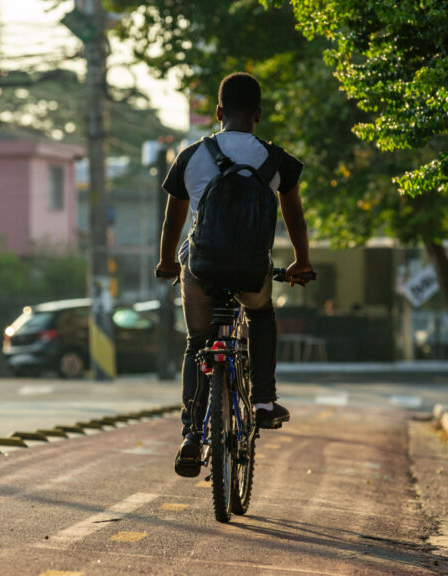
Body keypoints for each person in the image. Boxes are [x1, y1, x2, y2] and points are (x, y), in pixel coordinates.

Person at [155, 72, 315, 477]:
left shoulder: (192, 156)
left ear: (219, 112)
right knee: (261, 315)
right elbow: (294, 217)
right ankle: (263, 401)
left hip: (201, 267)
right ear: (258, 114)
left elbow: (173, 222)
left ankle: (192, 434)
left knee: (197, 342)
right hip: (251, 267)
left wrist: (168, 262)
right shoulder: (276, 159)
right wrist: (301, 262)